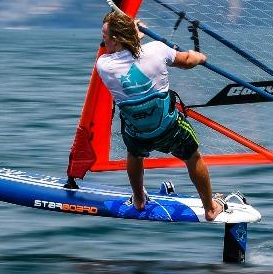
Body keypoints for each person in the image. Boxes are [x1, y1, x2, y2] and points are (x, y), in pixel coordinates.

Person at [95, 11, 224, 221]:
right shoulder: (156, 50)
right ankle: (210, 208)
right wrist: (200, 57)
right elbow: (187, 61)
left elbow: (119, 55)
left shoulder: (104, 66)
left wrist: (134, 36)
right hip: (169, 128)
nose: (103, 40)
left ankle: (138, 199)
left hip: (137, 134)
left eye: (105, 36)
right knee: (192, 155)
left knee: (134, 153)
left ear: (116, 40)